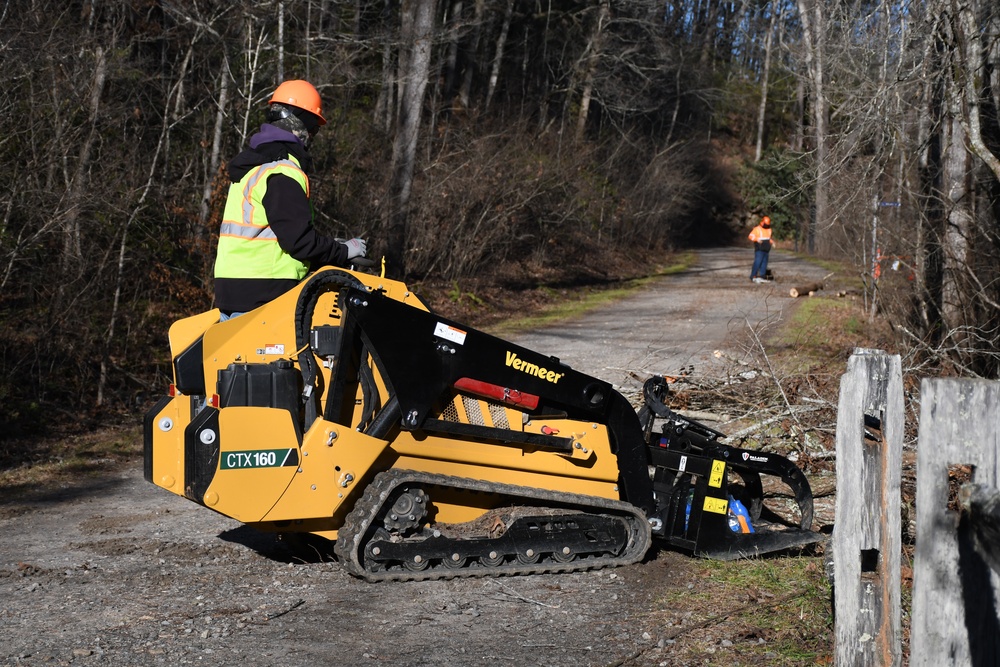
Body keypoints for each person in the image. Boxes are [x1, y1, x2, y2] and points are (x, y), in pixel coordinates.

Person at [213, 79, 367, 320]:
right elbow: (299, 242)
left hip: (233, 291)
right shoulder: (282, 172)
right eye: (314, 128)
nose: (313, 136)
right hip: (265, 292)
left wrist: (329, 247)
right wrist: (344, 251)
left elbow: (273, 234)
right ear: (300, 122)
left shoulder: (253, 165)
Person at [748, 215, 773, 284]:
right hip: (759, 248)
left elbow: (769, 238)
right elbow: (750, 236)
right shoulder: (757, 229)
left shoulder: (769, 230)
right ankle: (753, 276)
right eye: (765, 224)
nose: (766, 225)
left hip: (766, 248)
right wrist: (757, 239)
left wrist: (772, 242)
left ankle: (762, 276)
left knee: (764, 263)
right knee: (757, 262)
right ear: (762, 222)